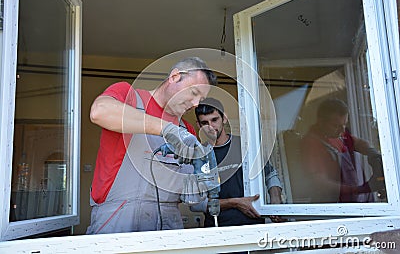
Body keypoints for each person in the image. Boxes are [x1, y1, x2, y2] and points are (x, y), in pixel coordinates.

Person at [86, 57, 217, 234]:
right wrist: (167, 129)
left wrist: (201, 179)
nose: (196, 104)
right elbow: (99, 111)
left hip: (168, 222)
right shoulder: (129, 97)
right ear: (175, 76)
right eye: (194, 93)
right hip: (118, 219)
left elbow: (190, 196)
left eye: (201, 99)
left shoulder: (187, 130)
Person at [192, 98, 283, 227]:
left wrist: (275, 199)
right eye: (205, 122)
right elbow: (196, 204)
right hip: (217, 230)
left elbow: (270, 175)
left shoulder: (245, 146)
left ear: (224, 118)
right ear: (198, 125)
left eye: (214, 120)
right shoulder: (198, 156)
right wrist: (235, 202)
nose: (211, 127)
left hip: (254, 226)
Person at [301, 98, 385, 203]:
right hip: (335, 207)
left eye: (344, 124)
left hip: (356, 201)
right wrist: (360, 189)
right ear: (321, 121)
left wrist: (373, 154)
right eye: (336, 125)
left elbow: (359, 143)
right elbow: (320, 183)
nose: (342, 130)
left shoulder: (339, 135)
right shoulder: (312, 143)